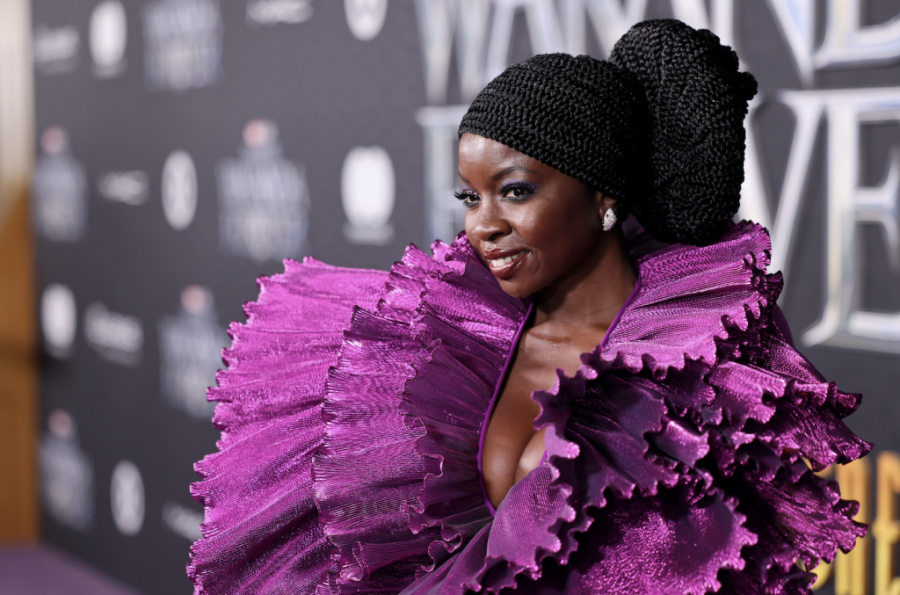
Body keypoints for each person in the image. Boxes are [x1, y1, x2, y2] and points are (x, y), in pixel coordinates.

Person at [188, 20, 870, 595]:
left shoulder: (704, 368)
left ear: (603, 194)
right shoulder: (424, 342)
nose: (482, 226)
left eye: (514, 192)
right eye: (470, 197)